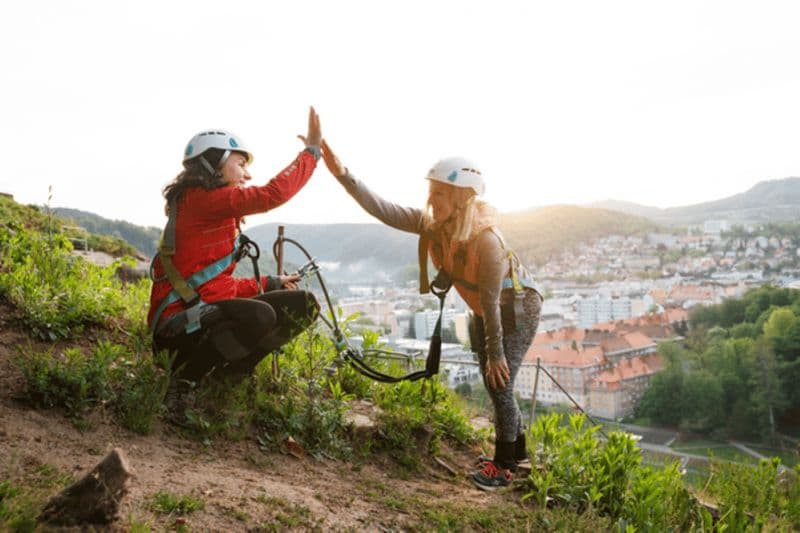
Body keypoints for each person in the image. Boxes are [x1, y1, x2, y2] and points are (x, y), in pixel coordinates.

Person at [319, 139, 543, 491]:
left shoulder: (487, 242)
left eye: (439, 193)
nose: (430, 200)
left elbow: (490, 301)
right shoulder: (434, 226)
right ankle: (519, 457)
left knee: (500, 381)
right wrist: (343, 175)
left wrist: (496, 352)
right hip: (488, 310)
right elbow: (383, 209)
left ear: (462, 198)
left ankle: (506, 465)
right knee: (495, 382)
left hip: (517, 308)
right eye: (431, 191)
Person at [147, 107, 322, 386]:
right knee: (259, 314)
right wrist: (311, 153)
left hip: (200, 319)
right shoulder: (200, 200)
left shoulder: (212, 212)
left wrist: (271, 281)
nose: (247, 174)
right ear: (213, 163)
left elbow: (218, 287)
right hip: (174, 334)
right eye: (240, 164)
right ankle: (185, 382)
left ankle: (229, 376)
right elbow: (271, 194)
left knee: (304, 305)